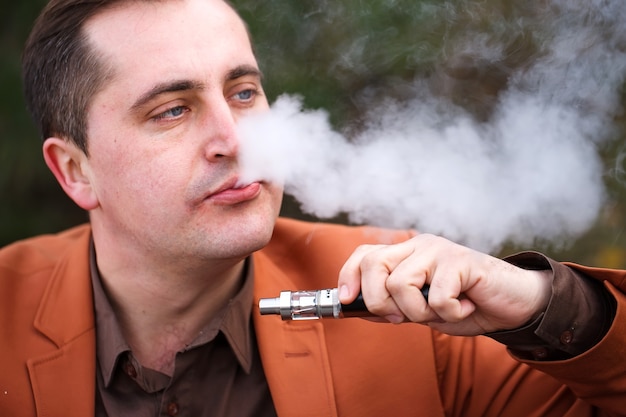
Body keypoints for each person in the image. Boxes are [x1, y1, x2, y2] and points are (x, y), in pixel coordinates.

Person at [1, 0, 625, 416]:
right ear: (76, 171)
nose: (237, 140)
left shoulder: (411, 311)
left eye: (243, 92)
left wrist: (543, 305)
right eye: (173, 109)